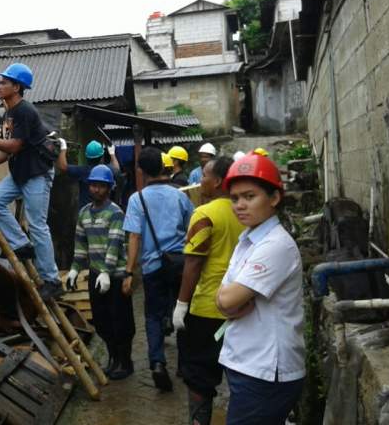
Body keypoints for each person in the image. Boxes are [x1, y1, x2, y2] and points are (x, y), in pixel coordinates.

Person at [0, 64, 63, 300]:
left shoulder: (25, 111)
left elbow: (14, 146)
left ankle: (52, 280)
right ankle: (22, 245)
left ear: (17, 87)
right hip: (20, 174)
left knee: (37, 225)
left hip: (37, 174)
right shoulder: (9, 114)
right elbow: (7, 152)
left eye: (4, 82)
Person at [216, 152, 305, 425]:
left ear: (274, 198)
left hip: (265, 371)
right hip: (248, 363)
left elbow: (226, 299)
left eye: (249, 196)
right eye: (235, 198)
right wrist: (226, 301)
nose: (240, 205)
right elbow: (222, 299)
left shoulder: (275, 245)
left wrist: (227, 300)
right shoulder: (248, 239)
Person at [172, 156, 244, 425]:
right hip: (242, 308)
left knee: (199, 376)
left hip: (206, 310)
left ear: (217, 182)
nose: (200, 180)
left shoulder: (204, 214)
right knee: (239, 374)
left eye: (204, 175)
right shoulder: (245, 213)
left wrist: (181, 304)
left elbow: (193, 263)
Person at [122, 146, 194, 391]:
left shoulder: (137, 199)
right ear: (165, 167)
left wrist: (129, 271)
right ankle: (184, 365)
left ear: (141, 171)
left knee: (153, 315)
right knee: (182, 311)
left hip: (153, 267)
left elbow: (134, 237)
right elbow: (191, 228)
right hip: (180, 264)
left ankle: (157, 363)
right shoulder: (179, 196)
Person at [66, 165, 134, 380]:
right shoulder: (84, 213)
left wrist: (106, 271)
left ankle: (125, 362)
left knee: (120, 320)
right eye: (93, 185)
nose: (96, 189)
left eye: (101, 186)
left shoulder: (115, 213)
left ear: (109, 188)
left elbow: (114, 243)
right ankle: (113, 358)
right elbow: (80, 244)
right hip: (97, 275)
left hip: (115, 275)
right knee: (102, 320)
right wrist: (74, 270)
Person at [56, 139, 120, 210]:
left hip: (85, 211)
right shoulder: (107, 170)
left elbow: (62, 166)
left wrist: (63, 148)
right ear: (102, 156)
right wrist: (112, 154)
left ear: (86, 156)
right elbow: (116, 168)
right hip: (103, 211)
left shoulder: (82, 171)